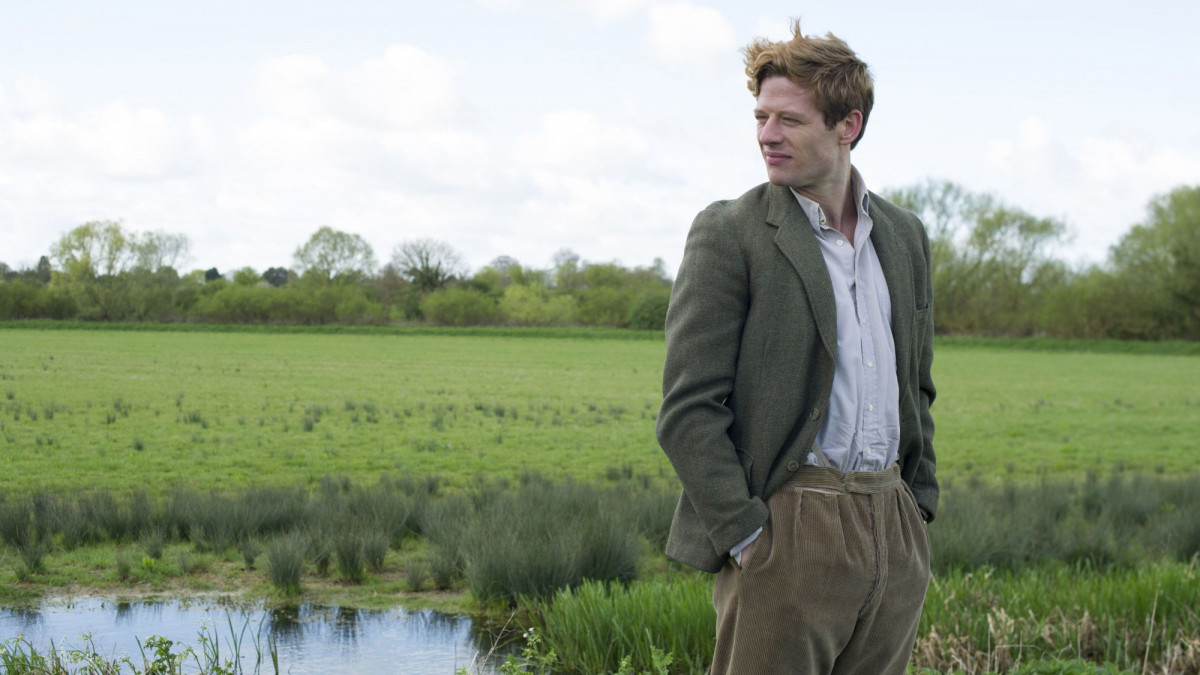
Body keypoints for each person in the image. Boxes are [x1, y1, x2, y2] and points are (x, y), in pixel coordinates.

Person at [656, 20, 938, 675]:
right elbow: (689, 410)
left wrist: (916, 508)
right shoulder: (731, 232)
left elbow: (915, 385)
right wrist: (750, 538)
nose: (767, 135)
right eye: (760, 116)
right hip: (789, 528)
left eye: (790, 119)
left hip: (892, 526)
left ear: (849, 125)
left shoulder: (905, 236)